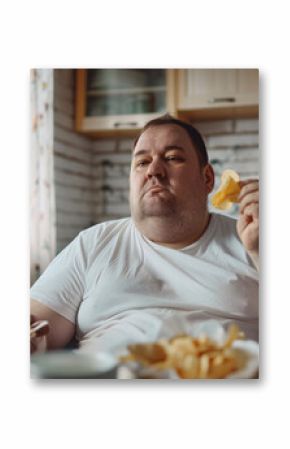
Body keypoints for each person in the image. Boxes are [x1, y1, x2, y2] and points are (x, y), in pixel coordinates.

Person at [30, 114, 259, 355]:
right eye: (142, 162)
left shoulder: (252, 240)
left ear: (207, 178)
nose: (154, 170)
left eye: (172, 158)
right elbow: (37, 330)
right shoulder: (92, 244)